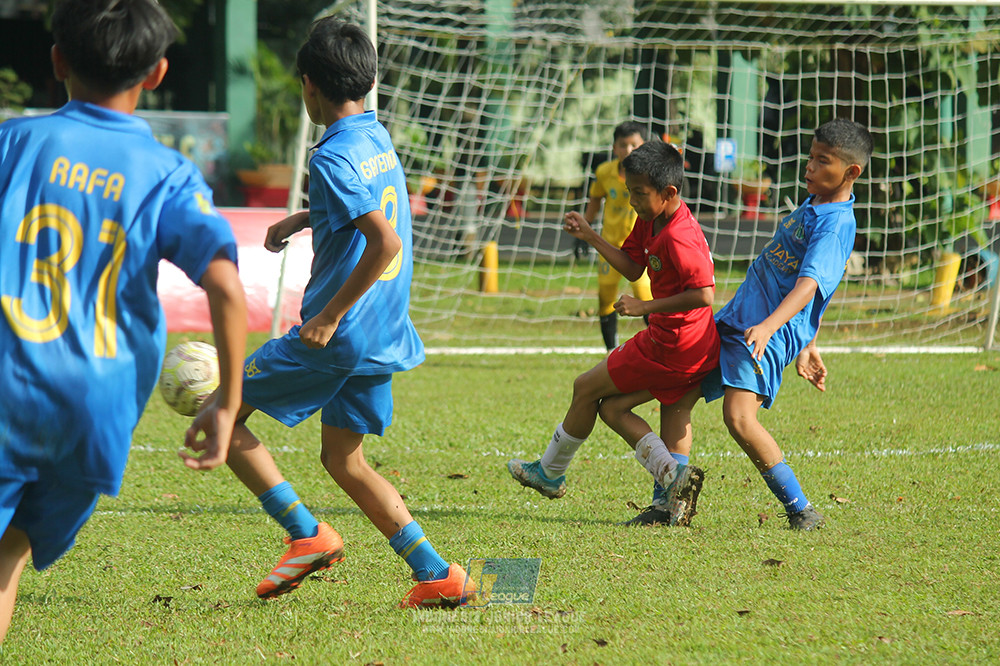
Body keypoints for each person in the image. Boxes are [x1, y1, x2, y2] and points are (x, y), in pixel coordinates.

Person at [192, 17, 474, 608]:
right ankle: (437, 573)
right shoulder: (375, 138)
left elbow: (384, 242)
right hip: (384, 329)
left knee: (223, 407)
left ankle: (306, 535)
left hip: (339, 333)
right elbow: (376, 210)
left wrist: (326, 317)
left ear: (309, 86)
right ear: (367, 84)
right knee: (342, 458)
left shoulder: (330, 157)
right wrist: (305, 218)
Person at [0, 0, 247, 642]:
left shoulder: (15, 144)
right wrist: (227, 403)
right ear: (159, 72)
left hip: (8, 385)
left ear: (56, 62)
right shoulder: (167, 173)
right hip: (97, 410)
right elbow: (223, 281)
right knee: (7, 556)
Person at [506, 141, 719, 526]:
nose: (631, 199)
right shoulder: (653, 219)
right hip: (688, 345)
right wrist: (591, 236)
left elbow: (704, 293)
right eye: (629, 190)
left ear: (669, 193)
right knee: (613, 407)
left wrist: (644, 307)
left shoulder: (678, 235)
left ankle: (551, 473)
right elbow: (635, 268)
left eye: (639, 192)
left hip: (672, 344)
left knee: (586, 387)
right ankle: (672, 487)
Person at [699, 118, 873, 531]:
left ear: (851, 172)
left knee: (740, 418)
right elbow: (819, 290)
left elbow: (811, 285)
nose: (809, 167)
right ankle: (668, 501)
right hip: (743, 319)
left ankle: (801, 509)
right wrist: (808, 341)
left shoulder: (835, 224)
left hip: (762, 330)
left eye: (822, 161)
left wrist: (772, 328)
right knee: (678, 392)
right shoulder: (815, 204)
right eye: (811, 157)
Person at [582, 122, 654, 350]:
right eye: (623, 145)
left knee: (647, 299)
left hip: (641, 249)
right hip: (610, 247)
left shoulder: (650, 173)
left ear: (644, 146)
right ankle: (610, 352)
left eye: (634, 145)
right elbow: (595, 201)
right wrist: (582, 232)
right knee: (606, 297)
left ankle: (659, 348)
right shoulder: (604, 172)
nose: (628, 150)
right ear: (614, 147)